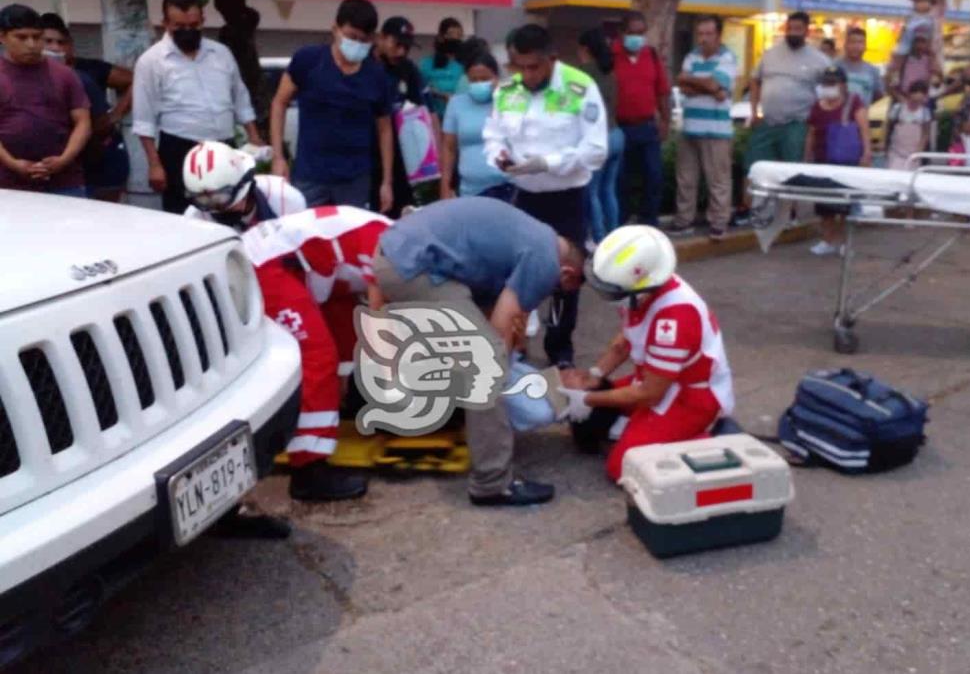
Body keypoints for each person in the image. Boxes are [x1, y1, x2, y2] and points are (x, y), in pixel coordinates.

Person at [372, 197, 588, 505]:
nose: (553, 290)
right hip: (415, 267)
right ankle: (492, 482)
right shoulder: (546, 258)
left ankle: (463, 420)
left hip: (400, 255)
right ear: (567, 273)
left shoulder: (531, 236)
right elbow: (502, 324)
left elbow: (494, 311)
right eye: (560, 289)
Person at [555, 225, 734, 483]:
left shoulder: (674, 318)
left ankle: (709, 441)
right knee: (597, 419)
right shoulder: (641, 291)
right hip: (658, 380)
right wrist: (594, 376)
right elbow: (625, 340)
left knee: (622, 468)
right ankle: (646, 433)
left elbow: (650, 394)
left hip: (691, 397)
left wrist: (588, 399)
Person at [243, 205, 393, 501]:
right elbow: (379, 325)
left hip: (291, 263)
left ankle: (338, 406)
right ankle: (309, 471)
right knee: (317, 357)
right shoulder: (387, 247)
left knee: (333, 346)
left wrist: (346, 376)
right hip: (267, 264)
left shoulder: (385, 238)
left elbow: (343, 308)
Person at [483, 23, 608, 369]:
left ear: (552, 59)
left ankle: (559, 347)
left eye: (534, 67)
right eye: (518, 66)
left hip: (566, 196)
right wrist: (499, 158)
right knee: (517, 272)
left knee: (565, 279)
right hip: (524, 197)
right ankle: (518, 341)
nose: (526, 74)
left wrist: (548, 163)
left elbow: (596, 150)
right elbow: (492, 135)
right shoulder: (507, 89)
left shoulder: (580, 87)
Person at [133, 0, 265, 214]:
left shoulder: (221, 53)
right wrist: (155, 165)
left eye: (193, 24)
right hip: (179, 151)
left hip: (225, 147)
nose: (187, 31)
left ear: (203, 21)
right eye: (179, 25)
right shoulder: (151, 61)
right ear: (165, 23)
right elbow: (144, 119)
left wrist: (254, 138)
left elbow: (241, 100)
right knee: (183, 217)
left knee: (232, 211)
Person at [270, 0, 394, 212]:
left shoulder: (376, 76)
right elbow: (279, 103)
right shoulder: (308, 60)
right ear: (335, 29)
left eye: (364, 40)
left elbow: (385, 129)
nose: (357, 44)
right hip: (310, 176)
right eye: (351, 37)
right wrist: (278, 157)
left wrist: (387, 182)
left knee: (351, 242)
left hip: (355, 180)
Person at [0, 4, 91, 197]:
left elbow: (83, 122)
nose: (31, 44)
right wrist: (13, 164)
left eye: (37, 37)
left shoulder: (64, 75)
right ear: (2, 37)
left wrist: (64, 160)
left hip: (65, 182)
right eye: (22, 37)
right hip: (7, 184)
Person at [44, 14, 134, 202]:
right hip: (61, 162)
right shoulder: (31, 74)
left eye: (61, 42)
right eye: (48, 41)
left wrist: (116, 114)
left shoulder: (88, 71)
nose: (55, 48)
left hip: (101, 155)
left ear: (71, 44)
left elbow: (136, 80)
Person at [746, 11, 830, 210]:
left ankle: (789, 213)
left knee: (791, 171)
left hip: (797, 123)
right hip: (767, 121)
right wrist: (754, 111)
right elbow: (755, 80)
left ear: (806, 31)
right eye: (790, 29)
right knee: (754, 167)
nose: (793, 33)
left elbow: (829, 92)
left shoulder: (819, 60)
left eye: (798, 29)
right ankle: (752, 210)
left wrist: (816, 124)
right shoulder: (770, 53)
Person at [669, 15, 738, 241]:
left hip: (716, 130)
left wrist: (697, 82)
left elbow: (714, 84)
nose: (704, 39)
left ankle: (719, 223)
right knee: (686, 179)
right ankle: (683, 221)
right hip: (690, 127)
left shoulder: (728, 58)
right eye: (700, 34)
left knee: (717, 180)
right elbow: (683, 83)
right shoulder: (692, 56)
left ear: (718, 35)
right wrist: (710, 89)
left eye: (709, 34)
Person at [612, 11, 672, 228]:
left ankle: (649, 222)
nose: (637, 37)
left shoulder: (651, 55)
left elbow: (662, 91)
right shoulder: (611, 56)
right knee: (620, 180)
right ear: (622, 33)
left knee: (654, 176)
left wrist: (666, 120)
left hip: (647, 127)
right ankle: (620, 222)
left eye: (641, 33)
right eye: (632, 33)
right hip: (620, 128)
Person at [804, 66, 871, 255]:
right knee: (824, 205)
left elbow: (863, 128)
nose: (828, 87)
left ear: (843, 85)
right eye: (826, 83)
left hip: (846, 161)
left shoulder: (853, 102)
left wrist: (866, 153)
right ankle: (827, 240)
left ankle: (844, 242)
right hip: (822, 160)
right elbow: (811, 133)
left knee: (845, 206)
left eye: (832, 83)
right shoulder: (817, 105)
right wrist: (807, 157)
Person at [373, 15, 434, 218]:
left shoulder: (408, 70)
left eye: (406, 47)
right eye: (397, 44)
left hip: (404, 161)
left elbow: (426, 113)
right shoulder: (366, 68)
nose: (401, 51)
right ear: (381, 38)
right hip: (369, 160)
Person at [181, 141, 305, 229]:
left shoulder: (287, 200)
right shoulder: (194, 218)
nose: (216, 206)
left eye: (220, 197)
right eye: (202, 200)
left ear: (243, 185)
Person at [439, 52, 511, 201]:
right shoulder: (456, 104)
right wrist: (445, 185)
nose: (479, 84)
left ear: (496, 77)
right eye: (474, 80)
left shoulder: (509, 102)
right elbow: (448, 148)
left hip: (509, 186)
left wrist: (500, 96)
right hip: (472, 190)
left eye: (485, 79)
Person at [578, 27, 623, 245]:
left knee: (592, 191)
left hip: (598, 139)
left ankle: (599, 238)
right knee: (609, 189)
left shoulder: (583, 74)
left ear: (585, 49)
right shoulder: (611, 72)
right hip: (616, 134)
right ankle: (614, 235)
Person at [419, 17, 464, 118]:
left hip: (458, 118)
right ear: (440, 37)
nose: (455, 38)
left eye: (459, 35)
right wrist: (439, 94)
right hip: (433, 118)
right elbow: (421, 88)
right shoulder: (426, 64)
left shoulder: (463, 64)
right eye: (451, 34)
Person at [886, 80, 933, 170]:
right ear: (910, 93)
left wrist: (919, 150)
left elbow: (925, 133)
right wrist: (886, 146)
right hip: (896, 151)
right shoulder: (898, 108)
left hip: (913, 154)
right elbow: (889, 127)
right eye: (916, 92)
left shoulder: (925, 112)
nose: (918, 96)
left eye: (922, 93)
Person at [837, 27, 884, 108]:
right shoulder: (835, 67)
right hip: (837, 118)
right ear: (845, 45)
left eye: (860, 42)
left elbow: (879, 95)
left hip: (862, 118)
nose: (856, 46)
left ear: (865, 46)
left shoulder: (873, 70)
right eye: (852, 42)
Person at [889, 30, 941, 100]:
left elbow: (936, 82)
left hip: (923, 102)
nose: (919, 45)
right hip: (903, 101)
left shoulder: (929, 60)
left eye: (923, 41)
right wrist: (902, 100)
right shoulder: (901, 60)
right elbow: (891, 85)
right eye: (916, 41)